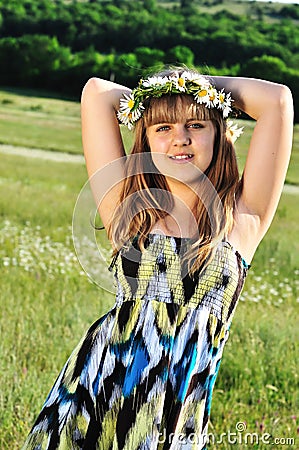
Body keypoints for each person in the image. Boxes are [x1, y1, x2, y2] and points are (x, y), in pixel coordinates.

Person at [23, 67, 293, 449]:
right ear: (146, 140)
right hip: (97, 392)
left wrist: (196, 87)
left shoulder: (243, 217)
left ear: (220, 131)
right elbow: (97, 94)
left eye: (195, 125)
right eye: (162, 128)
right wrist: (168, 90)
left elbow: (278, 101)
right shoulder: (128, 209)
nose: (179, 139)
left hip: (179, 410)